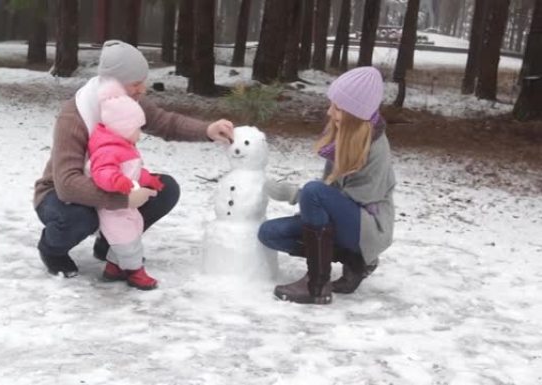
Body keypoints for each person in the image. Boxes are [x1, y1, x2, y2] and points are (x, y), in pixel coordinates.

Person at [34, 40, 234, 279]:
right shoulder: (73, 117)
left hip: (113, 182)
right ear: (113, 84)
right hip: (57, 195)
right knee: (80, 218)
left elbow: (165, 122)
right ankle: (52, 250)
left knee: (165, 189)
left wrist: (207, 130)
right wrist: (123, 198)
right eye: (136, 84)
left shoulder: (127, 101)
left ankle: (111, 245)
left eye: (143, 82)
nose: (143, 89)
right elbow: (67, 185)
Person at [259, 66, 395, 305]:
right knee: (270, 233)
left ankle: (317, 284)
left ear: (355, 113)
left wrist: (295, 195)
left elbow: (348, 200)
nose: (330, 112)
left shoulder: (375, 148)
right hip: (344, 224)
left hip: (368, 228)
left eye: (338, 108)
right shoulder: (342, 136)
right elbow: (329, 192)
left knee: (313, 191)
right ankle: (356, 263)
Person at [88, 78, 164, 290]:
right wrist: (118, 182)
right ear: (122, 128)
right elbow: (102, 173)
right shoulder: (107, 149)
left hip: (126, 207)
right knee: (127, 242)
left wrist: (148, 179)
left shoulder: (124, 146)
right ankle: (136, 271)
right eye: (137, 129)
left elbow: (134, 170)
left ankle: (113, 267)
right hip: (113, 208)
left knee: (132, 232)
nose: (140, 134)